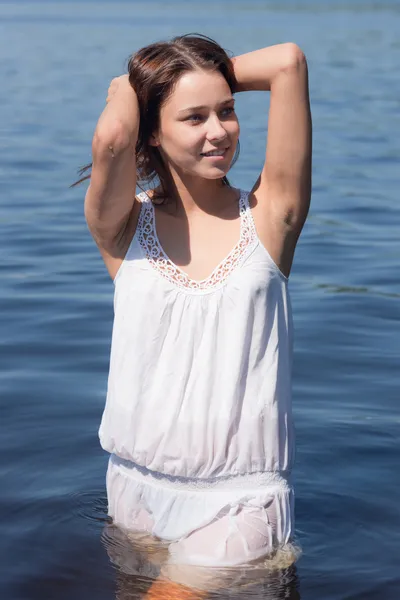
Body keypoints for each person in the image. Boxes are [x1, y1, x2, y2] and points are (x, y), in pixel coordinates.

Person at [82, 33, 312, 598]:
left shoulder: (271, 216)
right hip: (133, 492)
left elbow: (287, 62)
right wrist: (132, 87)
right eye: (195, 117)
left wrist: (189, 73)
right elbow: (112, 137)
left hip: (238, 502)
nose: (220, 131)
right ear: (152, 131)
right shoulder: (122, 228)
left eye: (227, 111)